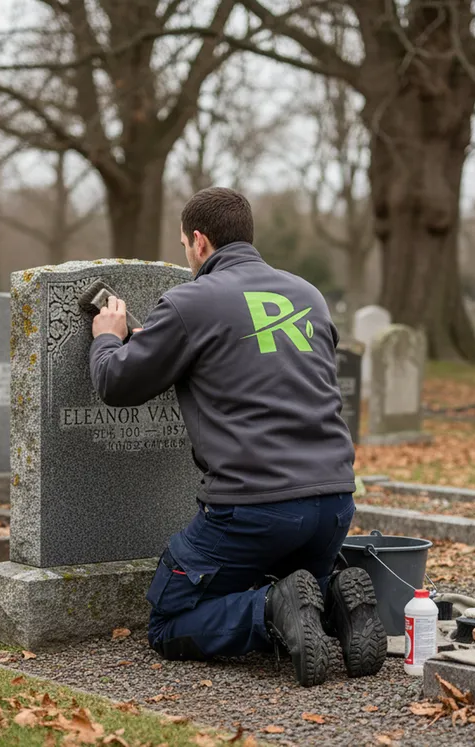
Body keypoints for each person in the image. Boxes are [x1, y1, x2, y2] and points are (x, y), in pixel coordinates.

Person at [89, 187, 385, 687]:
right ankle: (336, 602)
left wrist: (105, 337)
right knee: (296, 575)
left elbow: (116, 383)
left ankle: (272, 609)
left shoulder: (191, 301)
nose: (187, 257)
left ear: (199, 242)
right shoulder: (307, 293)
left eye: (185, 246)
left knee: (169, 619)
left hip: (255, 510)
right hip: (333, 503)